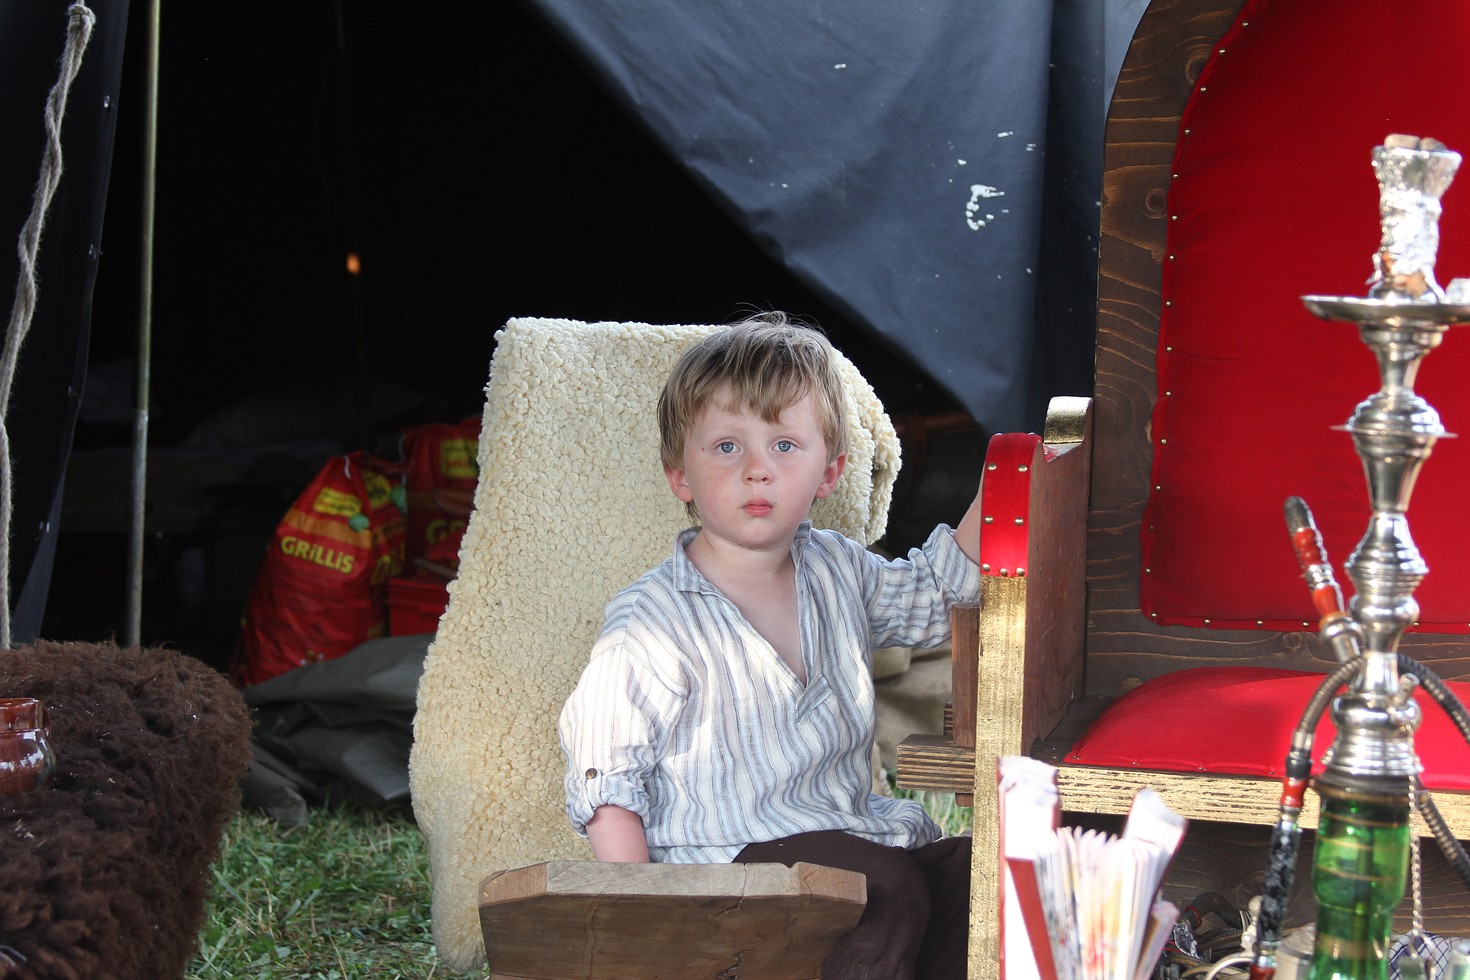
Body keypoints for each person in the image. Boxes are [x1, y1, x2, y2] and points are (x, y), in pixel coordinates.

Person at [558, 314, 984, 979]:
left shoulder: (840, 570)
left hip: (852, 845)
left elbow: (934, 599)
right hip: (723, 880)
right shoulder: (654, 619)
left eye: (784, 445)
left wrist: (1004, 484)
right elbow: (607, 773)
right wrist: (643, 919)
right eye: (727, 447)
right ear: (680, 475)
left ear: (828, 472)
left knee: (976, 877)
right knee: (878, 887)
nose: (757, 470)